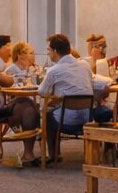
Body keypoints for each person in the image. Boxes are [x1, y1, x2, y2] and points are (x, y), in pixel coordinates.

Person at [39, 33, 109, 161]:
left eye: (49, 50)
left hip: (66, 120)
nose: (48, 53)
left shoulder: (53, 71)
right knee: (55, 110)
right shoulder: (84, 65)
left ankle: (53, 155)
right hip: (87, 117)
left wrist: (54, 91)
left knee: (47, 114)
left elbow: (42, 92)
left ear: (55, 51)